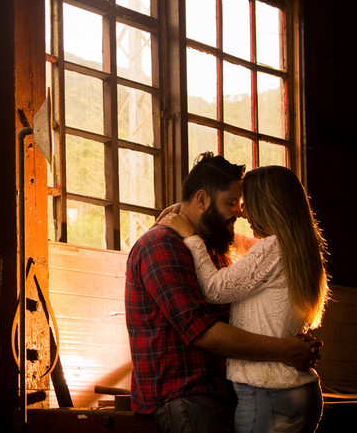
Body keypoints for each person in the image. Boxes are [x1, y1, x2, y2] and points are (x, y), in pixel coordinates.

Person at [125, 153, 322, 433]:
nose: (240, 213)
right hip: (188, 397)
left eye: (242, 205)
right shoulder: (163, 246)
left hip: (223, 393)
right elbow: (202, 331)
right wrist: (285, 349)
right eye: (232, 203)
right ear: (202, 199)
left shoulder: (212, 249)